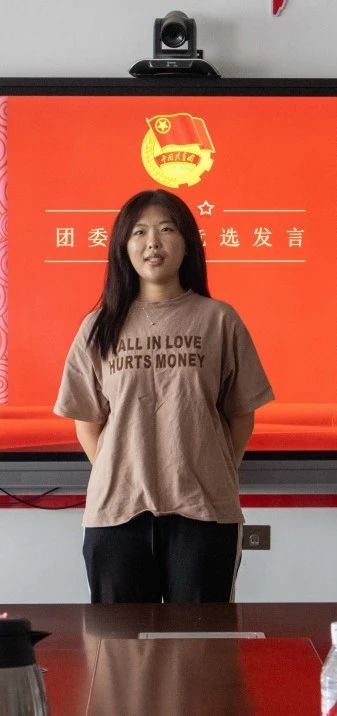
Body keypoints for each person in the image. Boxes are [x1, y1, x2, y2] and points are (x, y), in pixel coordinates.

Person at [54, 189, 274, 604]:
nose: (153, 242)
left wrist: (214, 469)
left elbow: (241, 413)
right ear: (124, 247)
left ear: (187, 243)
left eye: (166, 229)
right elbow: (87, 419)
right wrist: (121, 470)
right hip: (116, 514)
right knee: (117, 642)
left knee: (200, 641)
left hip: (204, 513)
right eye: (139, 232)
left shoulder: (219, 320)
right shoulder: (99, 326)